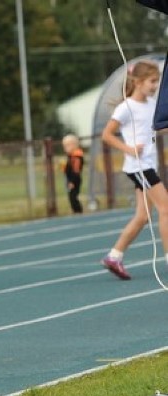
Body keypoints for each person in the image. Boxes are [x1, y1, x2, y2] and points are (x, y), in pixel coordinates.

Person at [99, 59, 168, 280]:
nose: (155, 85)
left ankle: (114, 256)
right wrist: (128, 149)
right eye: (152, 81)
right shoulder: (126, 107)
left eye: (157, 81)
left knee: (142, 216)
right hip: (140, 167)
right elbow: (107, 135)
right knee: (166, 208)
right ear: (137, 82)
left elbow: (153, 131)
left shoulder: (150, 105)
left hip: (148, 164)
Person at [61, 134, 84, 214]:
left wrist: (72, 181)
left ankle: (78, 211)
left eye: (67, 145)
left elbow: (76, 170)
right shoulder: (70, 156)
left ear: (74, 145)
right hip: (70, 178)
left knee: (73, 196)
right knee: (71, 196)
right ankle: (76, 211)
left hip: (74, 179)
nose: (65, 148)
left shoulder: (76, 156)